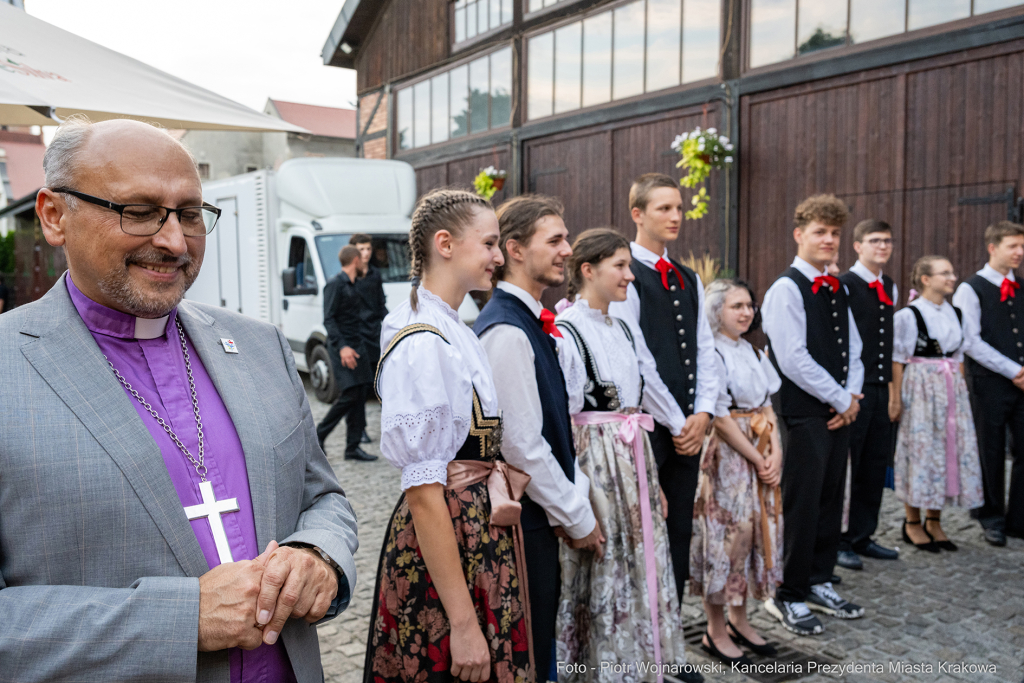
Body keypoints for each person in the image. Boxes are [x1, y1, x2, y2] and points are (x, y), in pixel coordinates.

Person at [0, 117, 358, 681]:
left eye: (190, 214)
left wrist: (320, 555)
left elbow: (324, 498)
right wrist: (177, 619)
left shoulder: (260, 345)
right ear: (53, 215)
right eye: (139, 211)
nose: (173, 241)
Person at [365, 189, 532, 683]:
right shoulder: (421, 339)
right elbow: (422, 493)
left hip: (476, 534)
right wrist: (462, 623)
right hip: (447, 542)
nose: (499, 257)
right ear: (445, 244)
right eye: (489, 243)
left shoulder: (451, 324)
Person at [554, 228, 697, 683]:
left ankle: (647, 659)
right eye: (619, 265)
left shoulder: (622, 327)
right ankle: (604, 667)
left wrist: (653, 474)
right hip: (597, 464)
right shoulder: (566, 332)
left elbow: (643, 391)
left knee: (643, 561)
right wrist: (577, 496)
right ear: (587, 269)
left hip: (635, 457)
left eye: (628, 265)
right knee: (606, 565)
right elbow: (565, 418)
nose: (629, 276)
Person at [474, 195, 600, 683]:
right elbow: (522, 445)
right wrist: (578, 515)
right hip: (520, 527)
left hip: (538, 519)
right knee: (527, 648)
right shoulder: (507, 332)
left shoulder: (528, 322)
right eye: (555, 240)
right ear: (516, 249)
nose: (567, 249)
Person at [608, 173, 717, 601]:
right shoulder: (626, 274)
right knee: (646, 533)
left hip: (689, 429)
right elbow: (638, 360)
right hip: (650, 430)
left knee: (679, 532)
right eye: (664, 208)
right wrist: (677, 421)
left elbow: (705, 349)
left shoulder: (689, 277)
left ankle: (670, 645)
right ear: (638, 214)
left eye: (679, 207)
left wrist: (704, 412)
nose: (676, 216)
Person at [761, 194, 865, 636]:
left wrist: (853, 394)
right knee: (801, 505)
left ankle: (820, 579)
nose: (829, 240)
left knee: (829, 498)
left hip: (839, 409)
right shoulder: (786, 289)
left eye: (835, 233)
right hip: (803, 414)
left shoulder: (836, 285)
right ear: (799, 234)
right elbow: (792, 358)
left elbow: (854, 346)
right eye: (820, 232)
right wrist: (840, 399)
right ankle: (787, 594)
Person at [691, 279, 782, 665]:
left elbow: (767, 405)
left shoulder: (751, 349)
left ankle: (739, 619)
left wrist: (776, 452)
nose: (746, 312)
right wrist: (756, 457)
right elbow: (722, 418)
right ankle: (714, 630)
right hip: (728, 457)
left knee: (752, 540)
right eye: (736, 306)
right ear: (716, 311)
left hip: (760, 445)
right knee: (726, 540)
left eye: (749, 305)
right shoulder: (712, 354)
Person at [892, 256, 984, 551]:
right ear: (925, 279)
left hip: (951, 390)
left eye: (952, 271)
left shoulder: (956, 313)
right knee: (920, 450)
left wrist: (959, 391)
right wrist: (896, 399)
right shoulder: (909, 316)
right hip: (920, 387)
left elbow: (959, 355)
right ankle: (912, 521)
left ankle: (935, 519)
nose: (952, 277)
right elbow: (897, 358)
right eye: (945, 273)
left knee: (946, 450)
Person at [953, 220, 1024, 546]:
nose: (1019, 253)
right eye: (1013, 246)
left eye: (1022, 247)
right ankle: (990, 517)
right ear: (993, 247)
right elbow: (970, 341)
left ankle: (1019, 519)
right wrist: (1013, 370)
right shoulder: (971, 288)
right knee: (990, 450)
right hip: (990, 383)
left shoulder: (1021, 286)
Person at [836, 220, 900, 569]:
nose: (883, 246)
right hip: (854, 389)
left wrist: (892, 391)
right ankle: (841, 538)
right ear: (858, 245)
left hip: (879, 386)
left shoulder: (888, 285)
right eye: (875, 240)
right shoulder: (845, 284)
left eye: (888, 241)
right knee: (851, 464)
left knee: (876, 463)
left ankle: (864, 535)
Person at [316, 244, 378, 461]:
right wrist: (342, 347)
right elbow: (329, 319)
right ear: (355, 261)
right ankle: (319, 433)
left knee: (360, 393)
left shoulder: (354, 284)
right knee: (350, 393)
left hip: (358, 344)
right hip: (342, 348)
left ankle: (352, 448)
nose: (364, 262)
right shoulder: (334, 284)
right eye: (361, 259)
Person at [349, 232, 387, 446]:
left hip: (375, 335)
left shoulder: (375, 274)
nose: (365, 253)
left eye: (368, 249)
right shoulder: (347, 277)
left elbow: (380, 303)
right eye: (361, 249)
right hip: (357, 338)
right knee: (359, 389)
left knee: (381, 383)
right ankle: (359, 430)